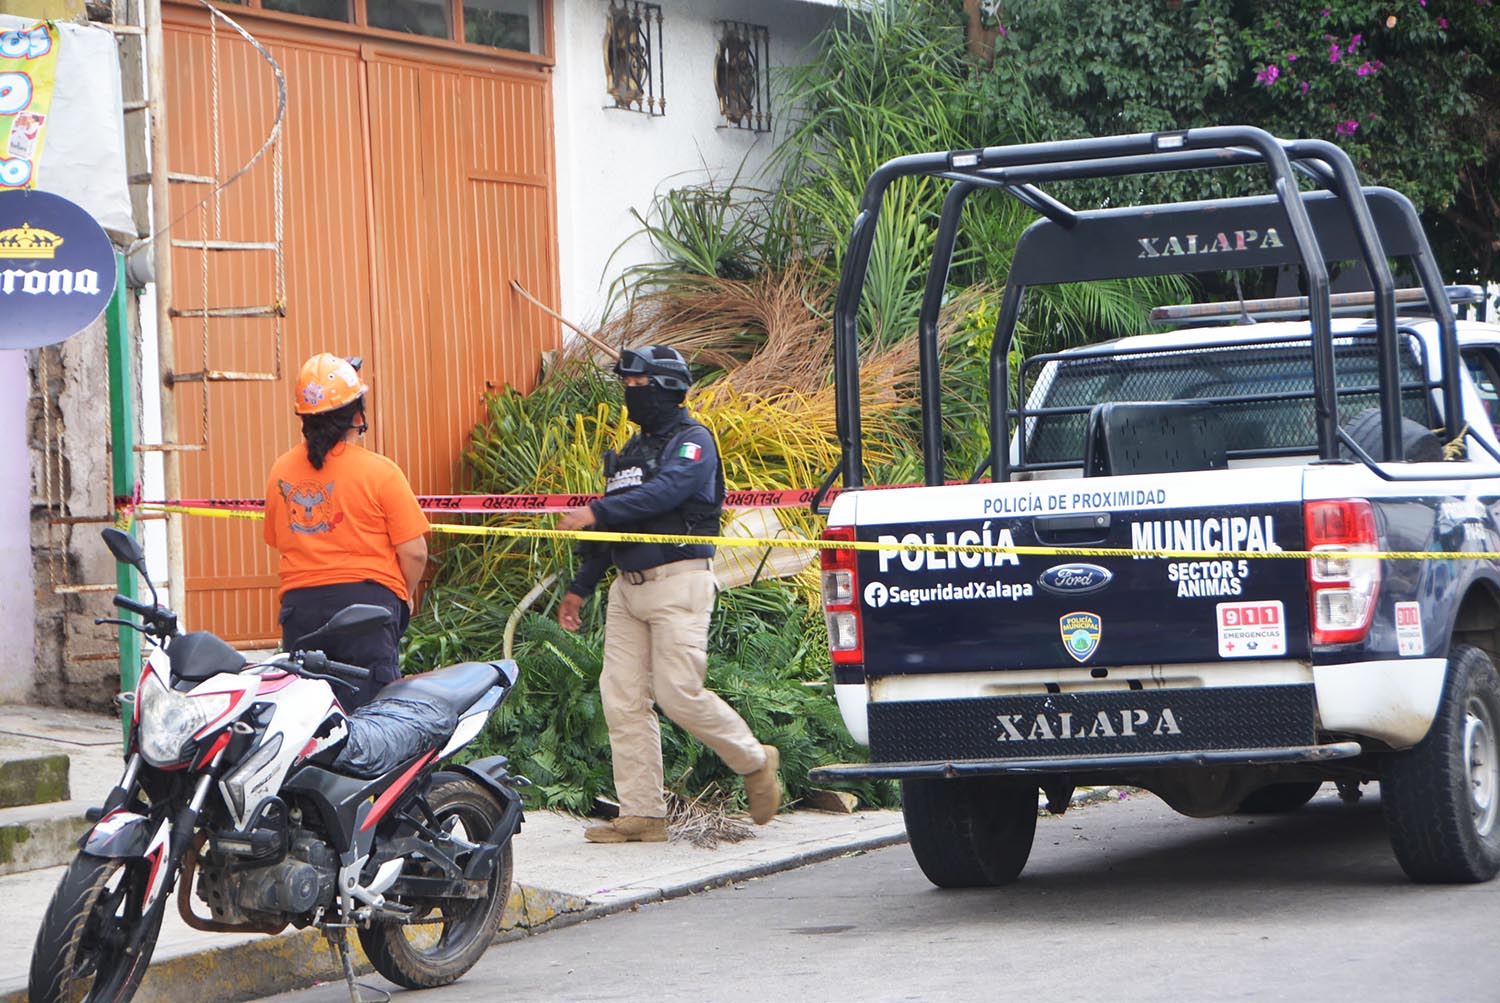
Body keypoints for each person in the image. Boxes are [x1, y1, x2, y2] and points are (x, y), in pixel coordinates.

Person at [557, 345, 780, 843]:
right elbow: (617, 522)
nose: (631, 395)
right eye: (627, 387)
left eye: (640, 387)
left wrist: (597, 511)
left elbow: (668, 493)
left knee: (678, 694)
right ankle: (643, 813)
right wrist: (580, 588)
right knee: (621, 699)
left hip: (678, 581)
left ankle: (753, 758)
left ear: (667, 390)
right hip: (627, 590)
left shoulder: (693, 442)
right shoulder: (631, 454)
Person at [264, 353, 430, 711]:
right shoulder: (380, 472)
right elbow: (414, 551)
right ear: (358, 415)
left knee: (309, 722)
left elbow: (279, 540)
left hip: (301, 612)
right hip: (368, 610)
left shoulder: (281, 471)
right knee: (371, 720)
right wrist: (406, 593)